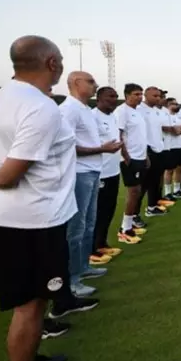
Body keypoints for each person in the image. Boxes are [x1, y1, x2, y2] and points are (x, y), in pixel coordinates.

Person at [0, 35, 83, 361]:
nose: (61, 64)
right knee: (29, 307)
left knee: (32, 304)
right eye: (59, 59)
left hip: (10, 220)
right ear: (51, 64)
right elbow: (7, 175)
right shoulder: (41, 106)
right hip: (34, 222)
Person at [58, 71, 117, 296]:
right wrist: (102, 148)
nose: (95, 85)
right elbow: (66, 147)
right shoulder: (68, 110)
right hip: (79, 174)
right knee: (76, 227)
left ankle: (83, 267)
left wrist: (103, 146)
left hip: (93, 172)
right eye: (91, 81)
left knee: (89, 223)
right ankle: (72, 281)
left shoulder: (84, 110)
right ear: (75, 83)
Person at [92, 86, 124, 260]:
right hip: (99, 171)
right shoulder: (92, 116)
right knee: (96, 212)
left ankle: (101, 243)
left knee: (109, 209)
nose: (114, 99)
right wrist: (103, 148)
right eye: (110, 96)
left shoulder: (113, 117)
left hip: (113, 170)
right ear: (99, 98)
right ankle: (91, 249)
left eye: (115, 96)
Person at [115, 83, 148, 243]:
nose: (140, 97)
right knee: (133, 191)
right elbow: (119, 135)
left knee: (138, 190)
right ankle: (124, 230)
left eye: (141, 94)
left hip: (140, 157)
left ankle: (129, 224)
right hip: (130, 158)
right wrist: (126, 156)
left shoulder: (137, 112)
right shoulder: (122, 111)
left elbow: (140, 136)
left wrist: (146, 156)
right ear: (127, 95)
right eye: (136, 94)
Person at [139, 87, 172, 216]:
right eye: (155, 96)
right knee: (143, 185)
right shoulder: (140, 110)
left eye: (159, 96)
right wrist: (145, 151)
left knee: (155, 181)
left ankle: (152, 207)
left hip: (159, 149)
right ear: (146, 96)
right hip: (148, 150)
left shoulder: (155, 111)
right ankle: (134, 215)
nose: (158, 98)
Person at [162, 97, 181, 200]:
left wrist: (180, 128)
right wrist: (179, 129)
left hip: (180, 145)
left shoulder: (180, 116)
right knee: (169, 170)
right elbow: (171, 130)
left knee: (180, 168)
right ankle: (168, 192)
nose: (176, 106)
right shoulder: (165, 116)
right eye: (173, 104)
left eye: (176, 104)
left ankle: (177, 190)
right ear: (168, 105)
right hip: (170, 146)